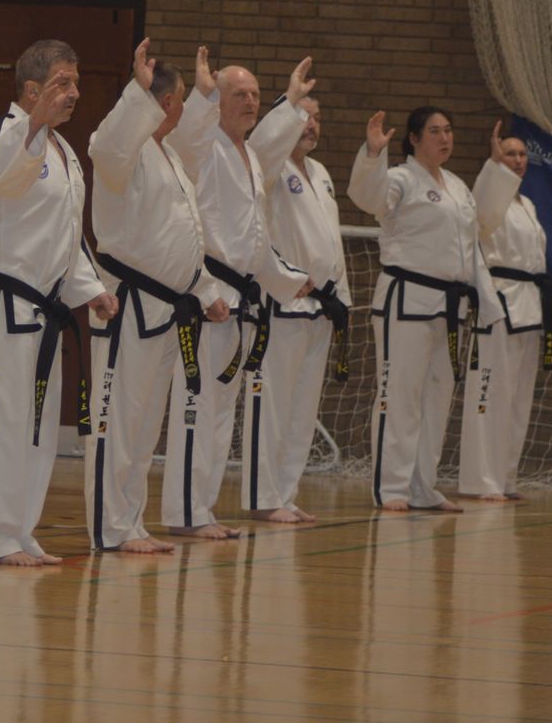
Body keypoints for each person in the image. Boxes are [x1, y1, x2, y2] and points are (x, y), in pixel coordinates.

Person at [0, 39, 118, 566]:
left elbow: (66, 235)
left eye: (75, 82)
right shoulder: (3, 133)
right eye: (62, 84)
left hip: (40, 310)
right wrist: (30, 125)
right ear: (30, 91)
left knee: (35, 428)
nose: (74, 93)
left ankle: (19, 529)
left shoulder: (62, 150)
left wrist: (90, 290)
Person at [162, 59, 314, 540]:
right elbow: (184, 137)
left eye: (255, 95)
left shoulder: (246, 156)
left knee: (221, 411)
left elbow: (253, 239)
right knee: (197, 407)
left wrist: (287, 278)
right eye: (238, 95)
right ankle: (185, 512)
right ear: (218, 102)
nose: (249, 102)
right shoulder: (203, 146)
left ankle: (202, 508)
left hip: (239, 300)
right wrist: (202, 97)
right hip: (207, 297)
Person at [85, 41, 226, 554]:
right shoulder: (128, 153)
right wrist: (136, 92)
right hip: (128, 305)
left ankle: (131, 521)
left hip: (170, 306)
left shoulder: (169, 158)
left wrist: (206, 289)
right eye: (183, 99)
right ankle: (111, 527)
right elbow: (105, 145)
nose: (185, 109)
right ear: (165, 103)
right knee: (120, 420)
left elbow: (182, 239)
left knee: (144, 425)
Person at [348, 106, 483, 513]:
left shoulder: (458, 186)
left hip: (450, 305)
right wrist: (373, 155)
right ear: (413, 138)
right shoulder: (400, 179)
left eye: (448, 130)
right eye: (435, 131)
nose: (445, 138)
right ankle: (391, 488)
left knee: (436, 400)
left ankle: (423, 486)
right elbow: (366, 198)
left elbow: (471, 247)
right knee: (400, 396)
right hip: (406, 300)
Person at [241, 88, 349, 524]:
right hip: (282, 300)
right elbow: (262, 145)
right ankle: (262, 496)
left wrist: (340, 297)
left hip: (321, 305)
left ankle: (285, 493)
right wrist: (288, 108)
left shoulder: (320, 171)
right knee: (272, 405)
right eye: (303, 117)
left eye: (317, 117)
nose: (312, 124)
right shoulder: (266, 165)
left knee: (303, 408)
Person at [461, 124, 552, 502]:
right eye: (509, 154)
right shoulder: (487, 198)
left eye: (521, 156)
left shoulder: (527, 205)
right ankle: (480, 480)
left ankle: (505, 476)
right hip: (497, 304)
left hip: (530, 305)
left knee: (518, 399)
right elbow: (480, 219)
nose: (517, 161)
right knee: (491, 395)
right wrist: (493, 165)